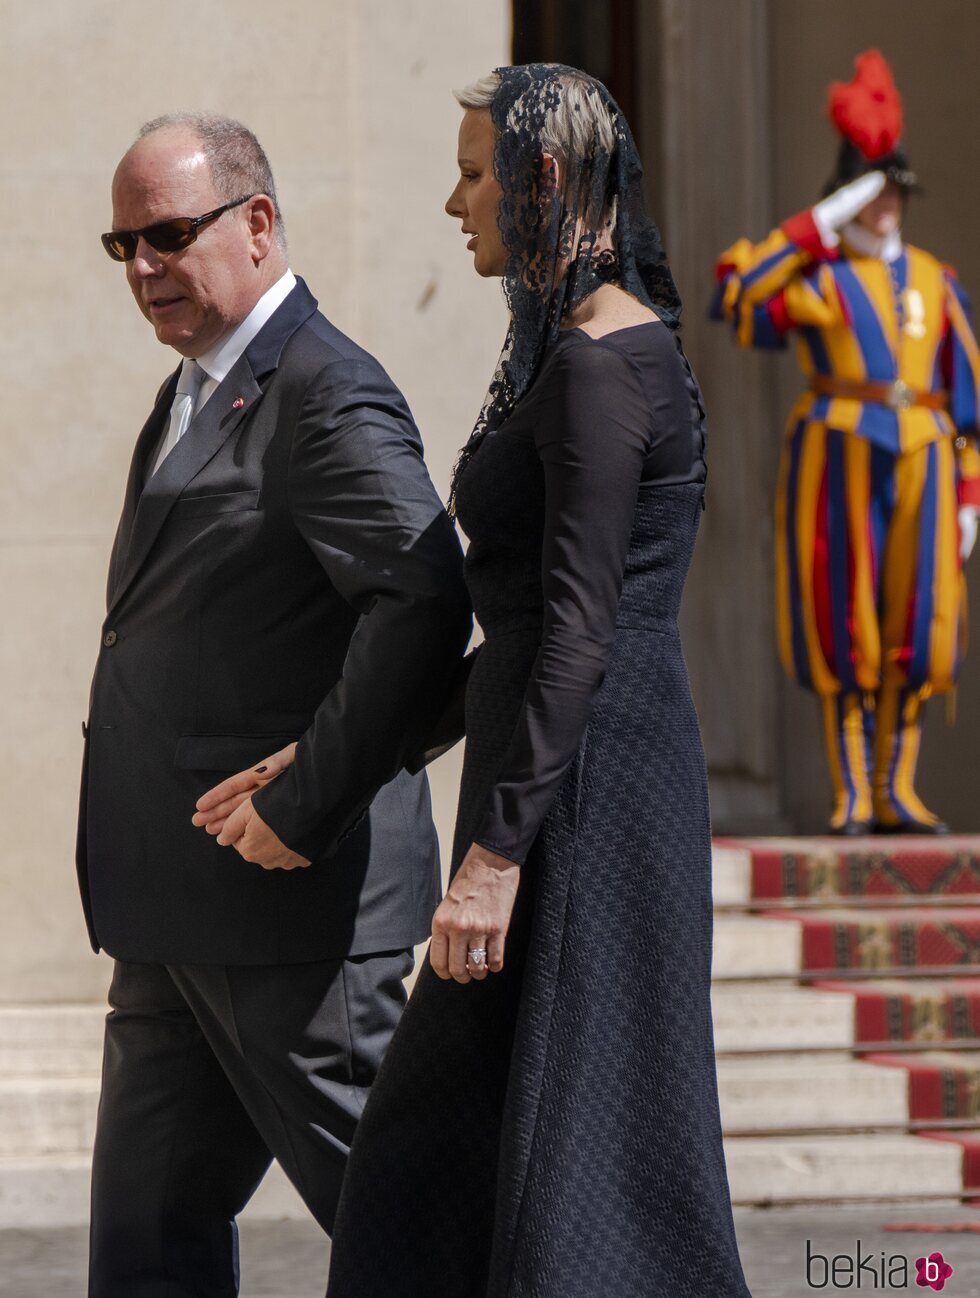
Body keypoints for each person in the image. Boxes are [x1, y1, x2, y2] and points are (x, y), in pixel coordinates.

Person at [319, 63, 750, 1297]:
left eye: (471, 175)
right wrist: (346, 754)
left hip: (584, 810)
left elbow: (578, 626)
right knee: (449, 1156)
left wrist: (494, 859)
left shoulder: (602, 366)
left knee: (582, 1167)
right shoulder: (574, 350)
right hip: (554, 782)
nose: (455, 205)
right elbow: (517, 630)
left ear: (541, 177)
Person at [78, 112, 470, 1296]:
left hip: (292, 919)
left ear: (256, 222)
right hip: (168, 914)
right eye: (123, 245)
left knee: (416, 1234)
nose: (144, 266)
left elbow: (419, 601)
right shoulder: (194, 388)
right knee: (145, 1251)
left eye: (168, 234)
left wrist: (304, 801)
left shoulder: (325, 387)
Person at [713, 50, 980, 834]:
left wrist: (969, 493)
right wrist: (816, 227)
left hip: (927, 457)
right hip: (837, 455)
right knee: (844, 616)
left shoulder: (938, 279)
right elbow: (738, 295)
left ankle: (899, 788)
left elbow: (968, 400)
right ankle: (855, 792)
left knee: (920, 622)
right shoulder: (819, 277)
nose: (887, 204)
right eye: (871, 190)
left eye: (894, 189)